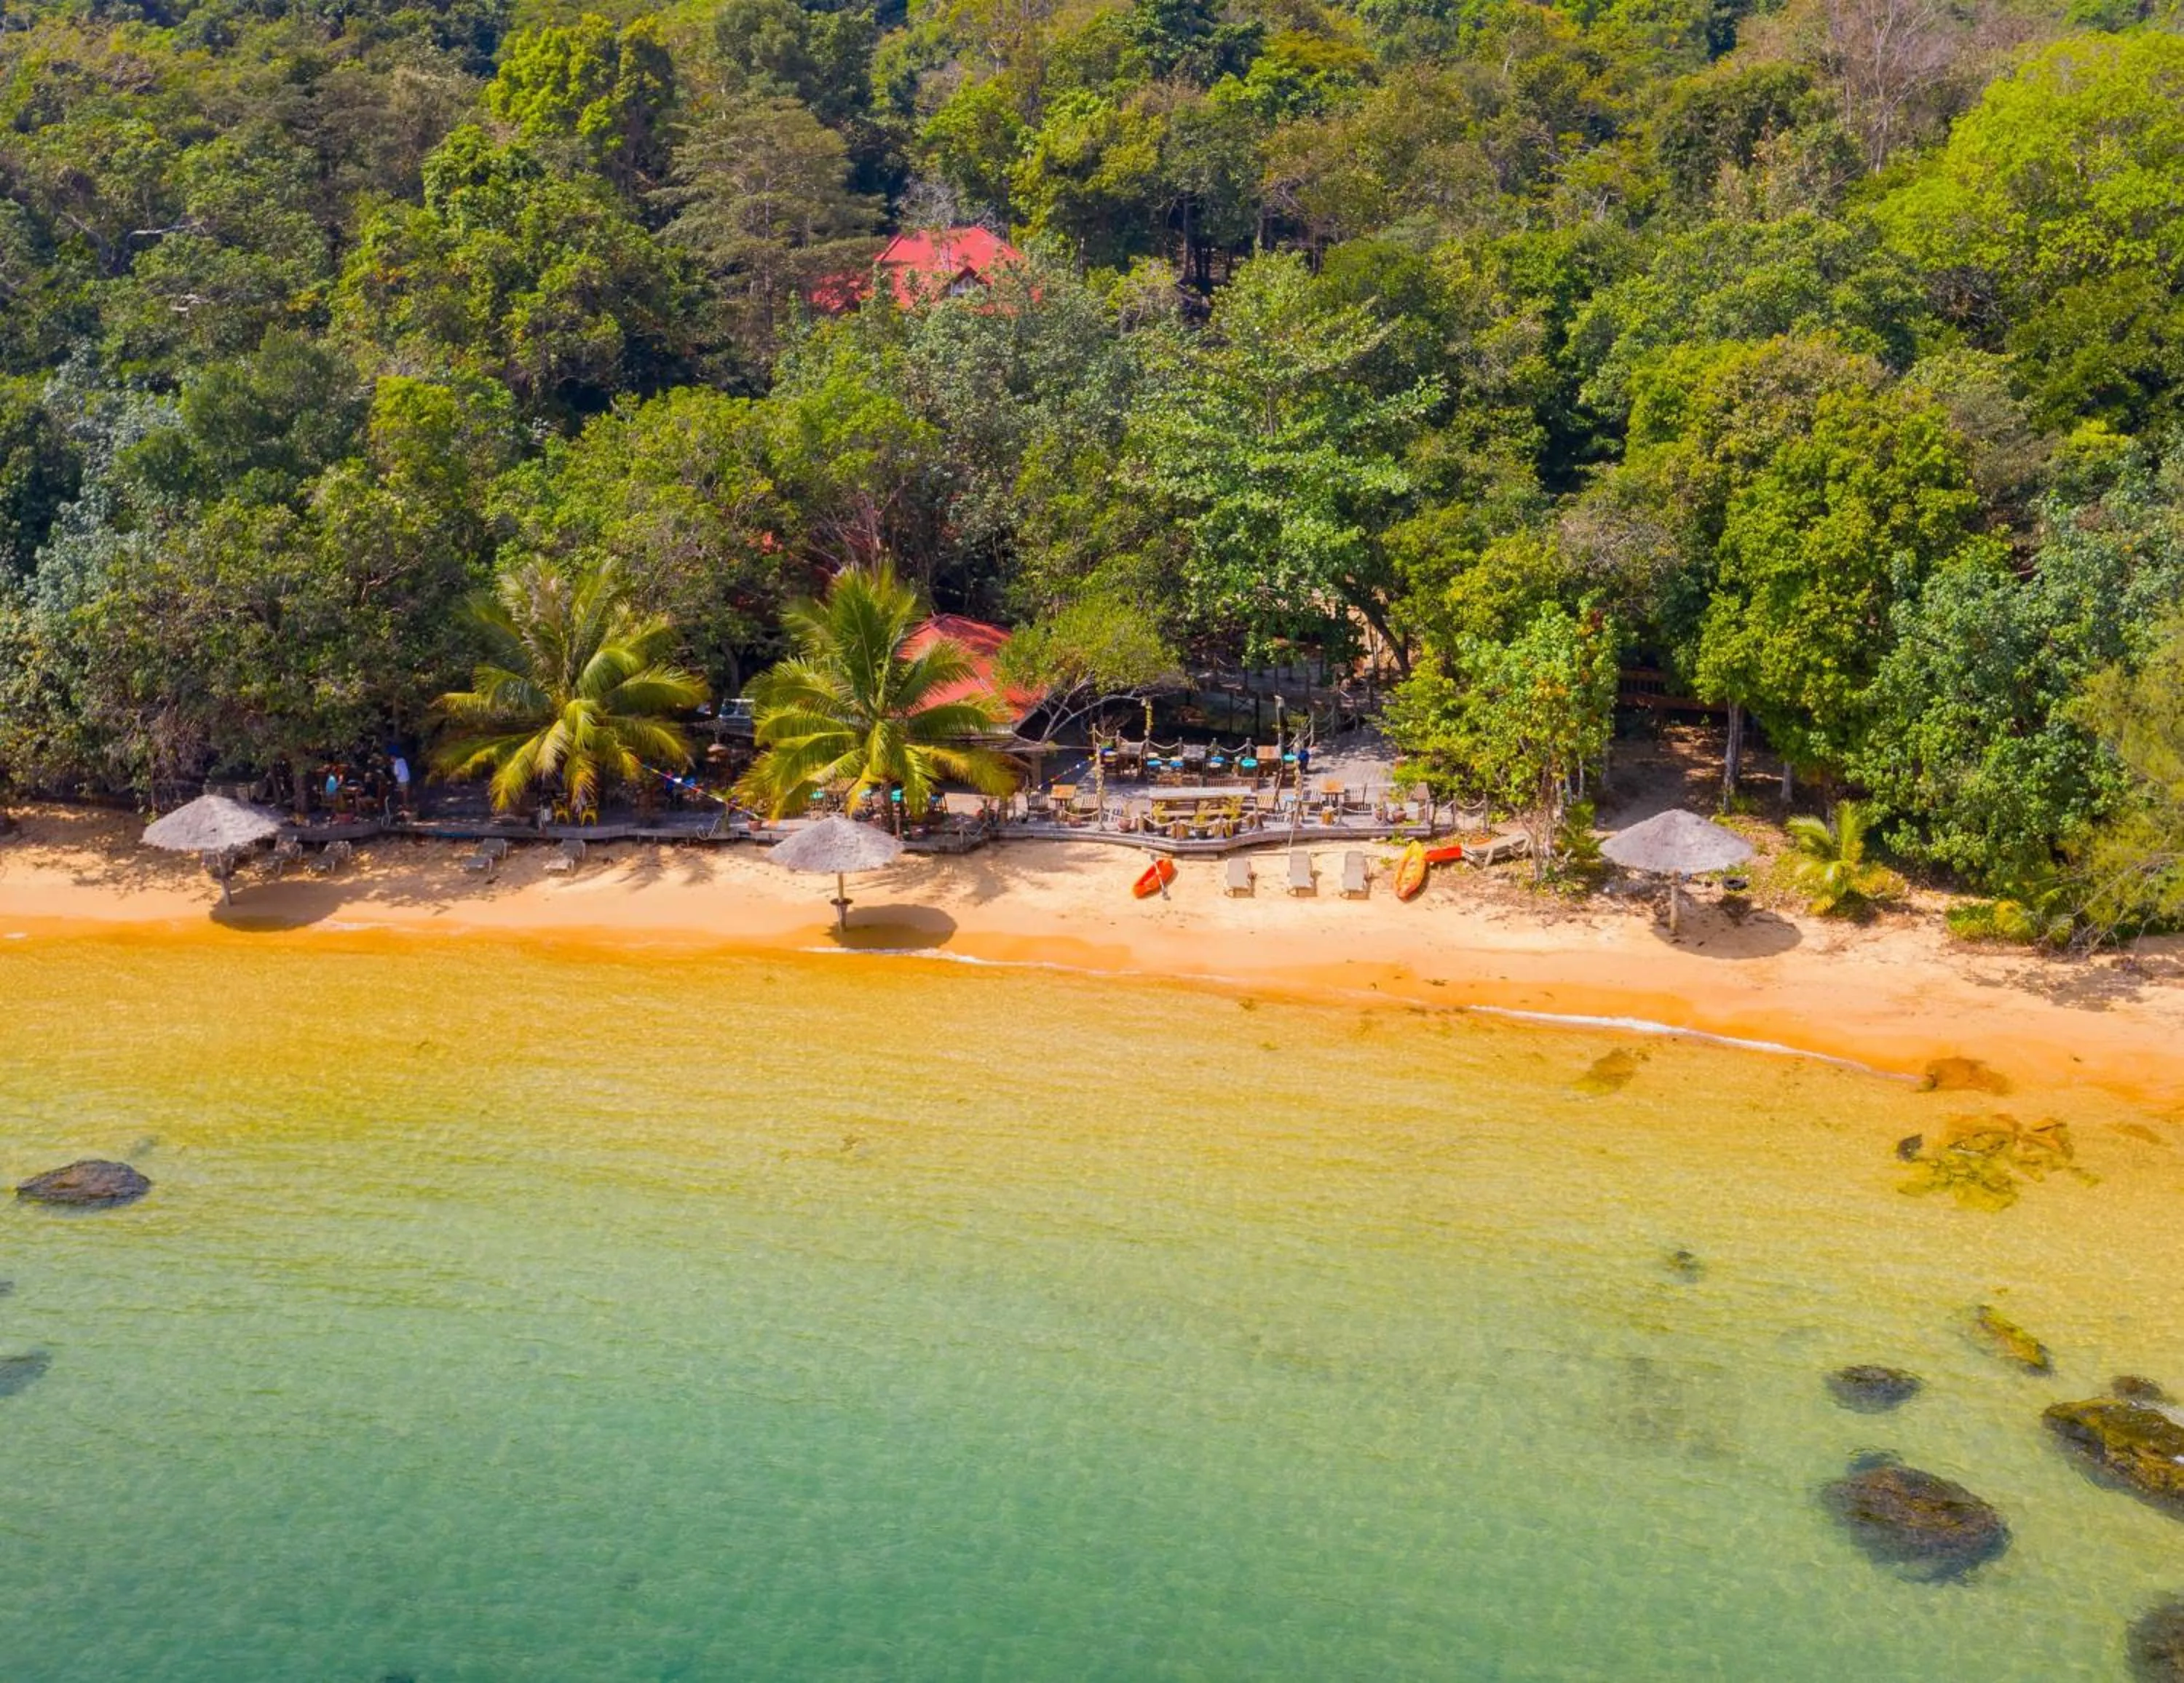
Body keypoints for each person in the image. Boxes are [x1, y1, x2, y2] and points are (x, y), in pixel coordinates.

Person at [391, 751, 412, 816]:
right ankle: (406, 804)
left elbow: (396, 773)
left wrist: (392, 769)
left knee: (403, 793)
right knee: (407, 792)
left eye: (391, 759)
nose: (391, 761)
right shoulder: (402, 760)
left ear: (393, 758)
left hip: (402, 780)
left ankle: (405, 805)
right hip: (407, 778)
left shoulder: (396, 764)